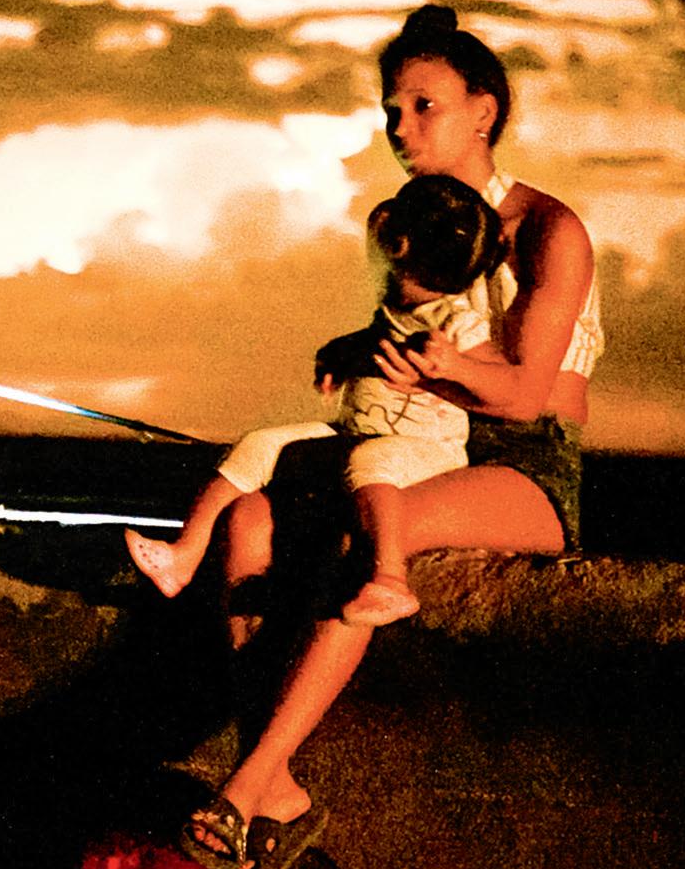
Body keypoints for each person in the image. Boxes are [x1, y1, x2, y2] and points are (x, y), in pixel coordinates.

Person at [177, 4, 604, 869]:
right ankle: (277, 783)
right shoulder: (411, 226)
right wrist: (362, 352)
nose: (399, 128)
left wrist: (435, 370)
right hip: (419, 444)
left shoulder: (545, 230)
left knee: (374, 530)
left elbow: (525, 392)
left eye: (422, 106)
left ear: (484, 111)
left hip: (522, 462)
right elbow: (404, 349)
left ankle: (244, 789)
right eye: (390, 110)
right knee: (249, 522)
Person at [127, 173, 507, 628]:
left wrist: (456, 367)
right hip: (359, 434)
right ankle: (183, 556)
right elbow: (373, 340)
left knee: (371, 462)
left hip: (428, 450)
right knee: (261, 444)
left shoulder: (457, 321)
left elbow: (500, 381)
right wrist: (339, 355)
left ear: (399, 243)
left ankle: (389, 579)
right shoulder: (394, 308)